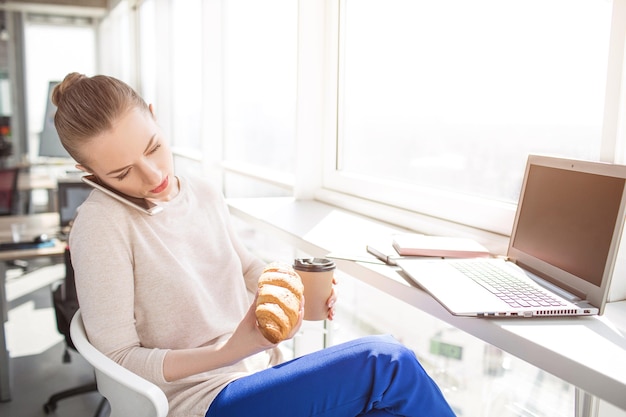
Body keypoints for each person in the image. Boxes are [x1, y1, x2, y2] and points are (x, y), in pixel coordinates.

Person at [53, 72, 457, 417]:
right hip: (202, 400)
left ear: (155, 117)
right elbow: (119, 359)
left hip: (260, 374)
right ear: (88, 172)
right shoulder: (101, 226)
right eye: (123, 173)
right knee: (386, 363)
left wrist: (293, 291)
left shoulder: (203, 192)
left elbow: (244, 267)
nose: (153, 174)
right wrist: (229, 351)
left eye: (153, 147)